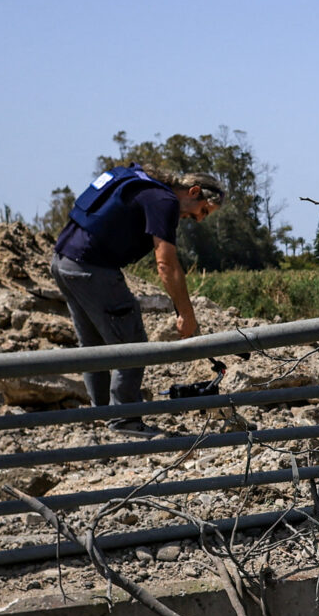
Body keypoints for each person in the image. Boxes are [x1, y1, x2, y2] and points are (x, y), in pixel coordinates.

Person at [50, 163, 222, 431]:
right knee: (133, 346)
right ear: (193, 191)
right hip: (92, 268)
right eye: (203, 211)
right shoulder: (164, 201)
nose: (199, 219)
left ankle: (102, 415)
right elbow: (166, 265)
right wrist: (186, 314)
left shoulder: (140, 182)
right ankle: (125, 421)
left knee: (93, 346)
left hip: (62, 261)